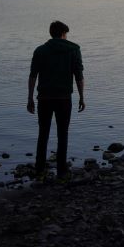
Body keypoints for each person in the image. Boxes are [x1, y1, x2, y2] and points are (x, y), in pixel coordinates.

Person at [27, 20, 85, 181]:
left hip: (44, 99)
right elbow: (78, 76)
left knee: (43, 134)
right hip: (64, 99)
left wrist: (30, 98)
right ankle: (61, 171)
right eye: (66, 34)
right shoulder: (73, 50)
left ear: (51, 34)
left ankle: (39, 170)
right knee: (63, 134)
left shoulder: (40, 51)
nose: (66, 37)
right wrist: (82, 97)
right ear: (63, 34)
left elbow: (33, 76)